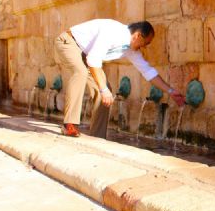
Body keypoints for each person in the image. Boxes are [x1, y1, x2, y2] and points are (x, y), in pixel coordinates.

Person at [54, 19, 185, 138]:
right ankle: (69, 125)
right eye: (145, 43)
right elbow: (93, 60)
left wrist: (171, 91)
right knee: (81, 73)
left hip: (86, 54)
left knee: (106, 90)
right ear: (138, 36)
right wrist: (103, 89)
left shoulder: (130, 48)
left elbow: (148, 71)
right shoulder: (113, 31)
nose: (144, 47)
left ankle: (97, 137)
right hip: (69, 43)